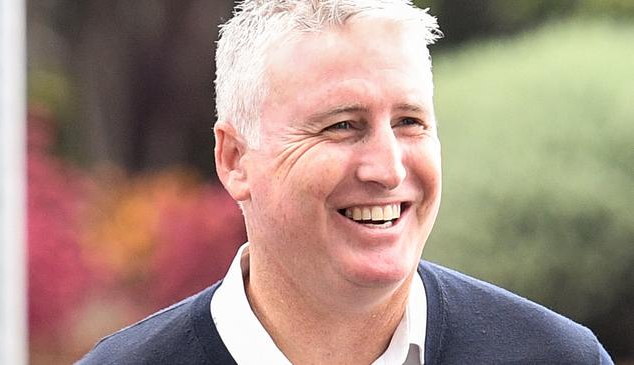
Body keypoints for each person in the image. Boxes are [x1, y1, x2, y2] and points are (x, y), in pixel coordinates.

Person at [78, 1, 613, 364]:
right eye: (342, 126)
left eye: (410, 122)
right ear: (235, 159)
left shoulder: (554, 356)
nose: (388, 168)